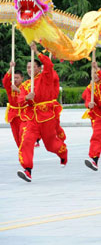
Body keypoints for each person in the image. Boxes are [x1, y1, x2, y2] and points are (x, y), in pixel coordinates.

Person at [17, 43, 68, 182]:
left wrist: (37, 51)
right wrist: (27, 98)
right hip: (32, 117)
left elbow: (49, 65)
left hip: (46, 116)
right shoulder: (25, 85)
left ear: (39, 68)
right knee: (27, 140)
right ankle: (27, 169)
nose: (29, 69)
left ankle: (63, 152)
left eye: (33, 67)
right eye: (28, 67)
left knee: (50, 145)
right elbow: (20, 100)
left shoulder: (46, 77)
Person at [3, 62, 27, 147]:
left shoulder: (26, 86)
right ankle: (22, 152)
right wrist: (10, 68)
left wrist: (17, 90)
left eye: (17, 78)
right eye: (14, 78)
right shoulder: (10, 86)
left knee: (23, 134)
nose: (15, 79)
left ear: (22, 78)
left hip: (24, 114)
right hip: (13, 114)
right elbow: (5, 80)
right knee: (16, 137)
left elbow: (28, 95)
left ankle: (26, 150)